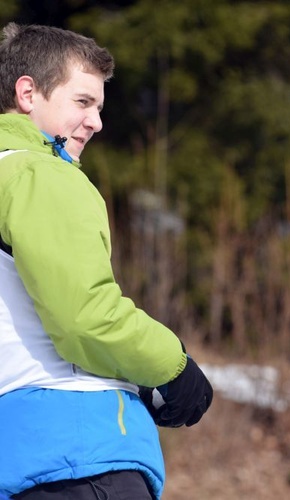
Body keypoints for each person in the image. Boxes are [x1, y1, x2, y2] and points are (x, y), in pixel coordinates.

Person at [0, 23, 213, 500]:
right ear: (28, 93)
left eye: (99, 107)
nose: (96, 122)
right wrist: (174, 369)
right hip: (77, 456)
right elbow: (85, 318)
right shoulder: (40, 174)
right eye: (82, 102)